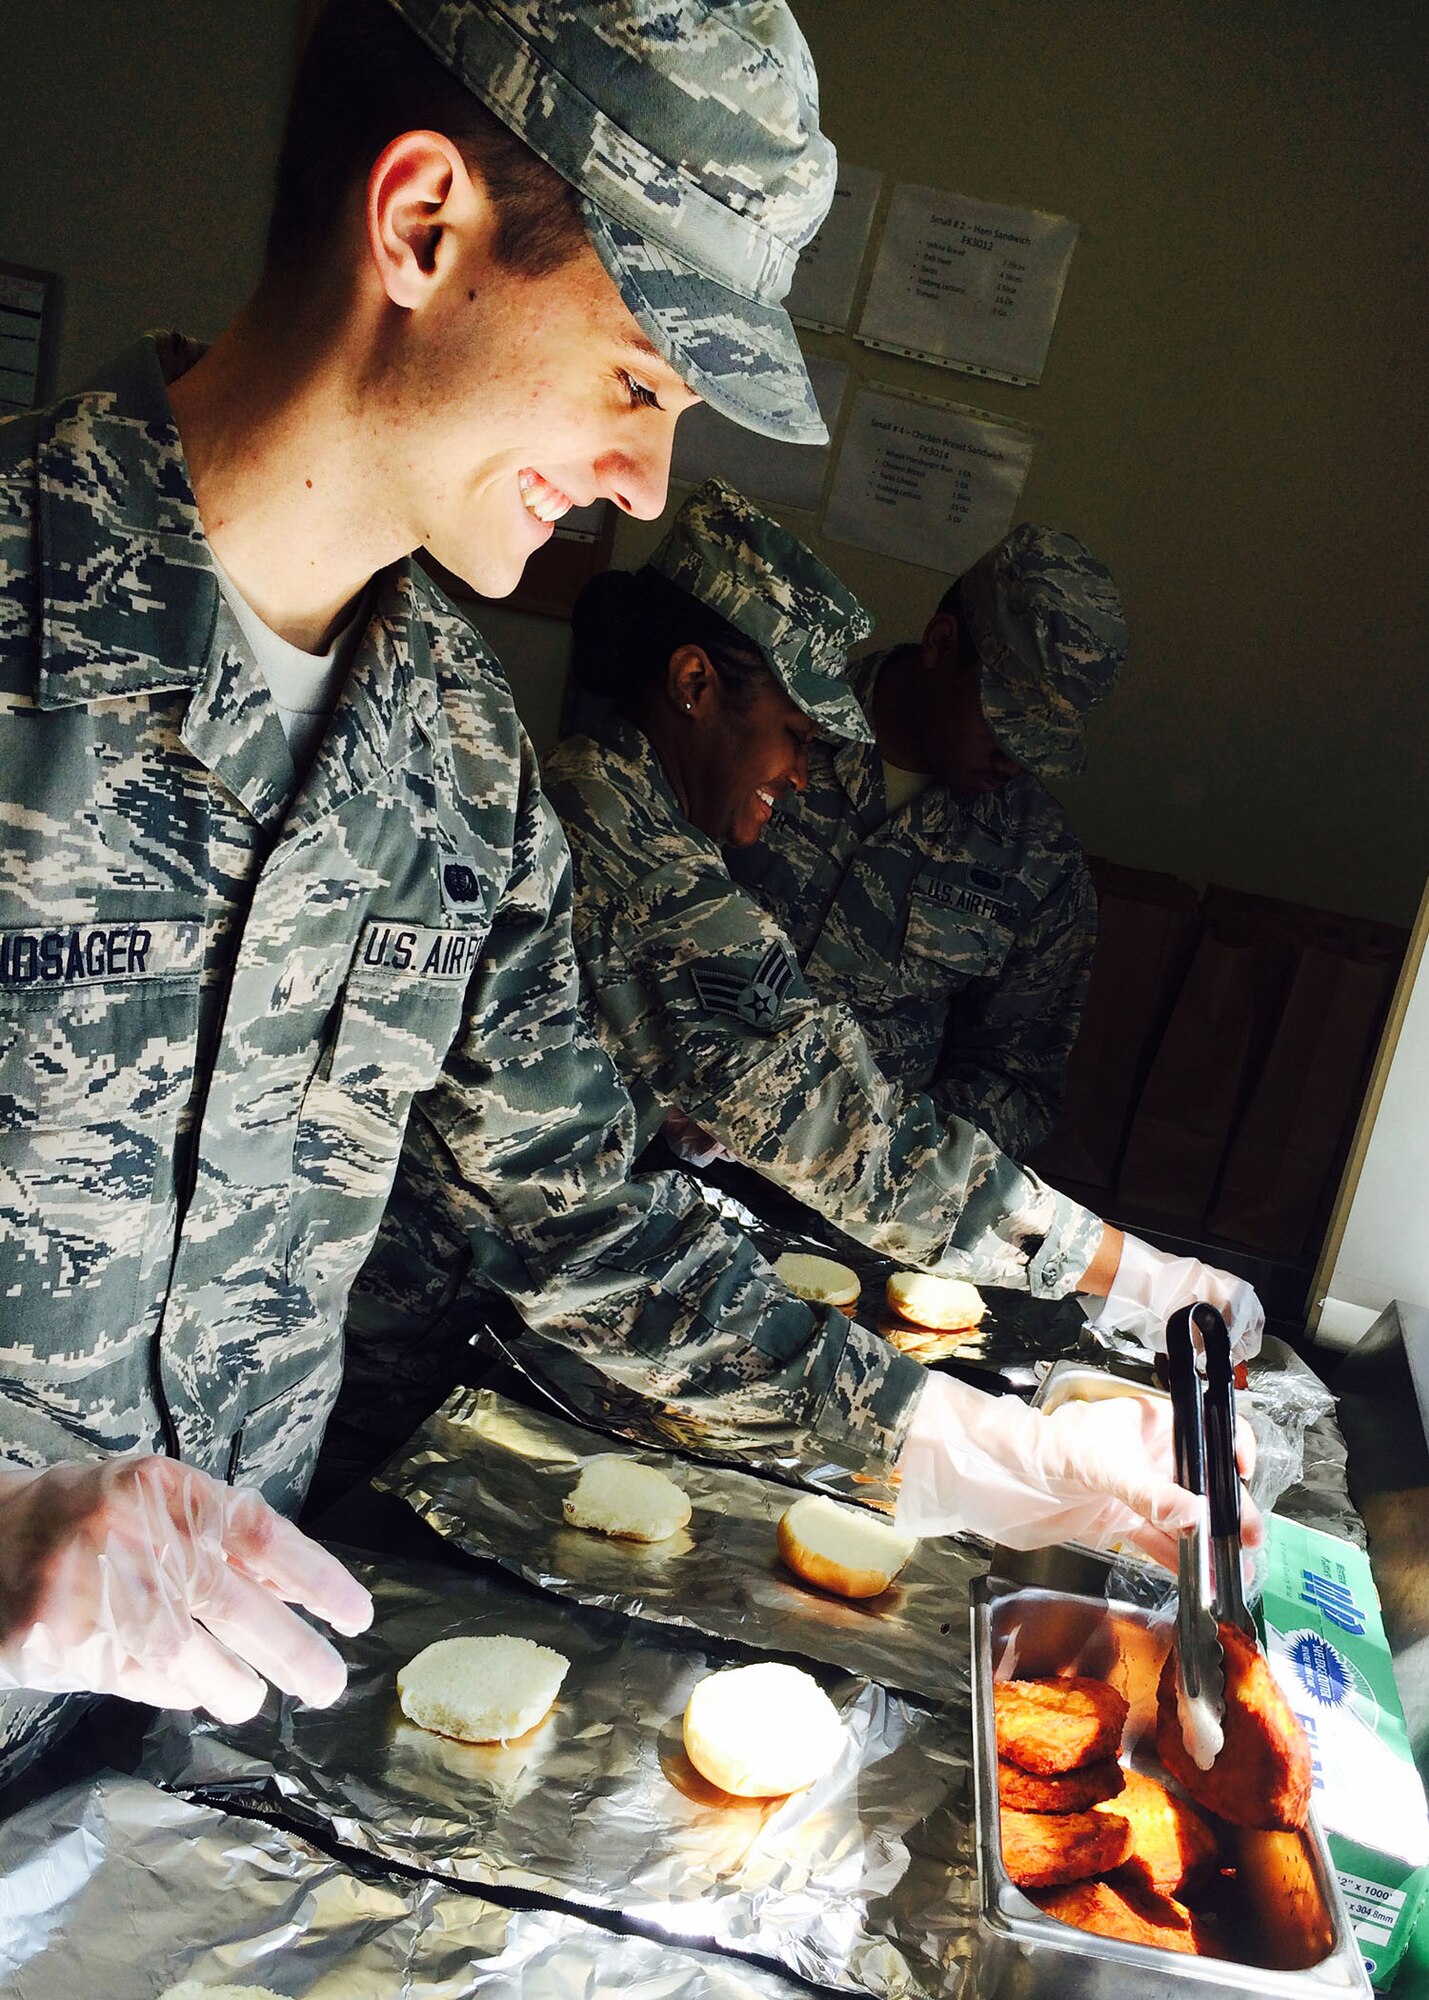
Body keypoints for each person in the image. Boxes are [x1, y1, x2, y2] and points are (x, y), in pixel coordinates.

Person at [0, 0, 1237, 1786]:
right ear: (421, 228)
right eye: (641, 383)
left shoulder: (453, 767)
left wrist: (967, 1454)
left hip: (174, 1781)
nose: (646, 482)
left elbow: (586, 1225)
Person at [543, 477, 1261, 1358]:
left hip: (863, 1223)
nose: (802, 773)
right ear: (942, 645)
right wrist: (1133, 1272)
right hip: (639, 1205)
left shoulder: (1033, 861)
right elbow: (814, 1104)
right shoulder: (664, 817)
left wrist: (860, 1117)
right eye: (800, 740)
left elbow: (996, 1080)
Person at [729, 523, 1120, 1161]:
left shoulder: (1039, 862)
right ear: (942, 644)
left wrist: (873, 1140)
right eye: (1007, 723)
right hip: (660, 1135)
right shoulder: (769, 725)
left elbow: (1017, 1085)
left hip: (856, 1197)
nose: (1017, 760)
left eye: (1041, 744)